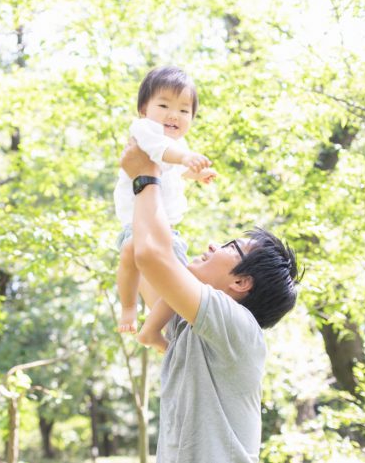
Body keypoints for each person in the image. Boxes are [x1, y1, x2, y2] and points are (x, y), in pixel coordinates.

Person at [120, 140, 300, 462]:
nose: (213, 245)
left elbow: (151, 257)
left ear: (241, 282)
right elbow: (148, 254)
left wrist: (145, 178)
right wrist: (160, 174)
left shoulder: (238, 328)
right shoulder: (192, 327)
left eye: (231, 246)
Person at [114, 66, 217, 348]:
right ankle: (128, 307)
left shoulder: (176, 144)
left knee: (178, 289)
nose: (174, 115)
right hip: (139, 227)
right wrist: (187, 158)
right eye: (164, 105)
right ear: (143, 109)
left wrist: (194, 173)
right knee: (131, 255)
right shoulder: (145, 131)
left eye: (184, 110)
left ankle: (152, 332)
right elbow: (162, 153)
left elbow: (170, 169)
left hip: (168, 231)